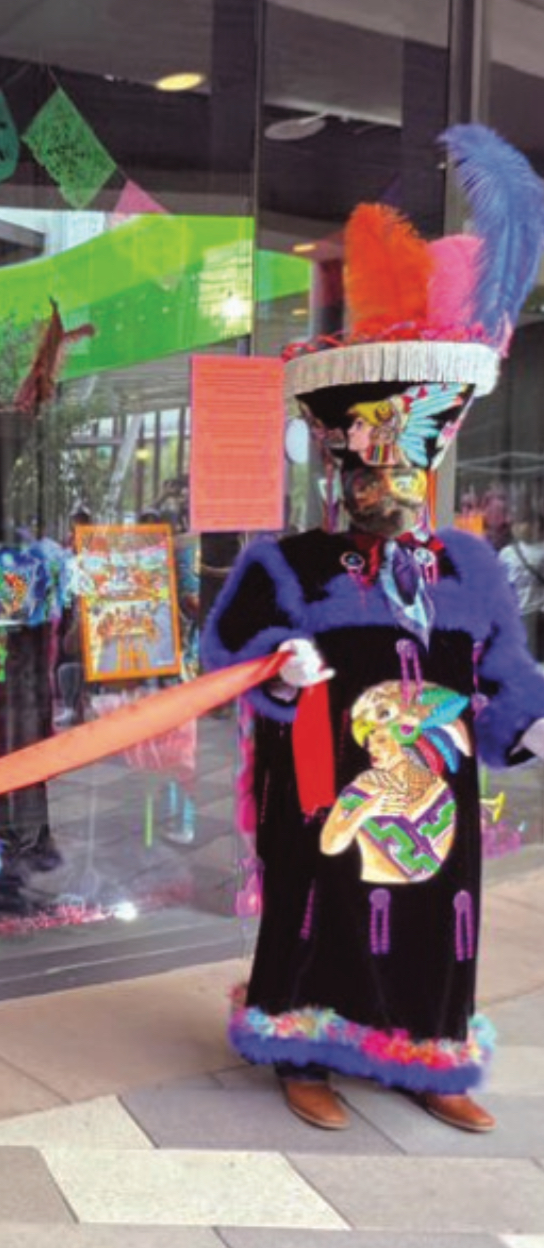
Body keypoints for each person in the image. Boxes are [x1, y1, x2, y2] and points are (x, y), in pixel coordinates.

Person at [202, 126, 544, 1135]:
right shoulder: (289, 563)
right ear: (339, 468)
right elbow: (226, 658)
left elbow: (506, 673)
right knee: (319, 908)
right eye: (366, 469)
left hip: (435, 798)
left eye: (402, 469)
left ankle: (426, 1054)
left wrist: (526, 722)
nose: (383, 486)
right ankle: (303, 1049)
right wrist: (279, 672)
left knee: (440, 919)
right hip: (324, 785)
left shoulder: (468, 565)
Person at [498, 514, 544, 659]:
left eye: (522, 523)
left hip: (536, 614)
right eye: (515, 524)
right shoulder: (507, 553)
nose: (516, 527)